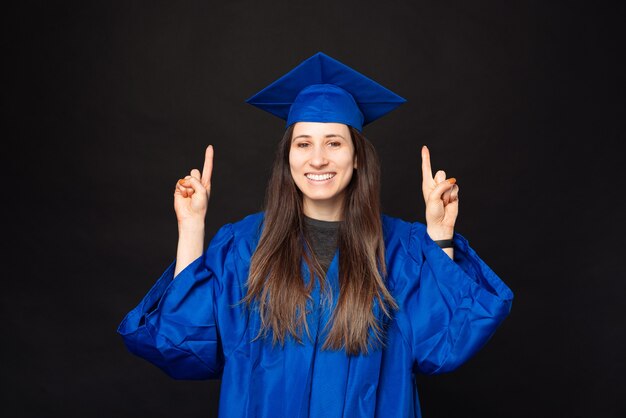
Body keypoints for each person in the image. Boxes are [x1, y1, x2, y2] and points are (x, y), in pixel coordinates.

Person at [117, 52, 514, 418]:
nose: (318, 158)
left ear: (357, 157)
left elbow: (444, 345)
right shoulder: (243, 245)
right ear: (288, 156)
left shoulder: (401, 248)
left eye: (334, 143)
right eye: (303, 143)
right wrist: (191, 228)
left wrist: (441, 235)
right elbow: (181, 342)